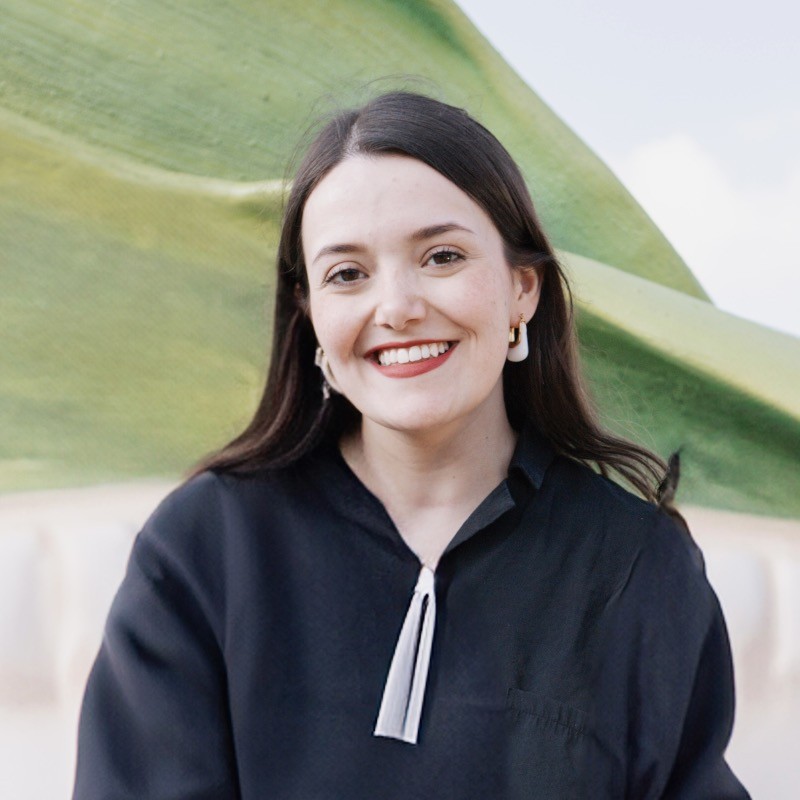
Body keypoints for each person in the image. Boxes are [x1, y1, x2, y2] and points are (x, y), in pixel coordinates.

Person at [72, 91, 750, 798]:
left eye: (441, 256)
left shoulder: (639, 567)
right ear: (310, 315)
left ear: (523, 288)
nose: (396, 307)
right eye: (347, 274)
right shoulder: (204, 549)